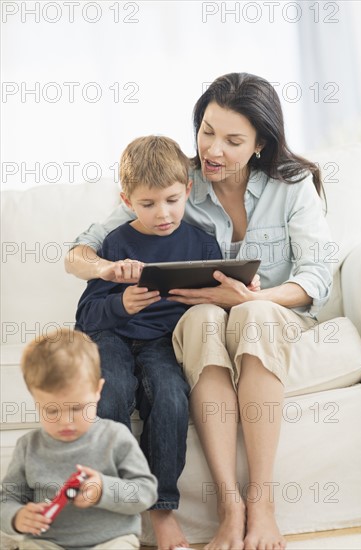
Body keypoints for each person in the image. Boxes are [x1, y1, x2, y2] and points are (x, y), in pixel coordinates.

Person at [65, 73, 333, 550]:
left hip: (269, 313)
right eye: (207, 131)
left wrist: (251, 300)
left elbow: (314, 278)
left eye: (233, 141)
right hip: (199, 320)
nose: (212, 150)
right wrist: (111, 271)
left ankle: (262, 503)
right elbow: (83, 251)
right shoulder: (175, 180)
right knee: (206, 317)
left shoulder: (291, 187)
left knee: (250, 316)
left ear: (259, 144)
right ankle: (229, 507)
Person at [75, 135, 237, 550]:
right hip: (111, 337)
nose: (162, 214)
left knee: (170, 397)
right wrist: (122, 304)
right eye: (147, 205)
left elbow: (217, 300)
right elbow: (86, 316)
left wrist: (240, 287)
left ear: (186, 190)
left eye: (170, 200)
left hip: (164, 343)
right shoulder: (114, 245)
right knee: (110, 396)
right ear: (127, 200)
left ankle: (161, 509)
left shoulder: (202, 244)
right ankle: (111, 505)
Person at [0, 329, 158, 550]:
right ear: (35, 399)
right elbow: (7, 499)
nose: (66, 421)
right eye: (52, 411)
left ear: (97, 391)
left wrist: (104, 489)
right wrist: (16, 517)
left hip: (110, 541)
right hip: (49, 543)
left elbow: (145, 492)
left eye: (77, 408)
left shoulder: (115, 437)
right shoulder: (29, 446)